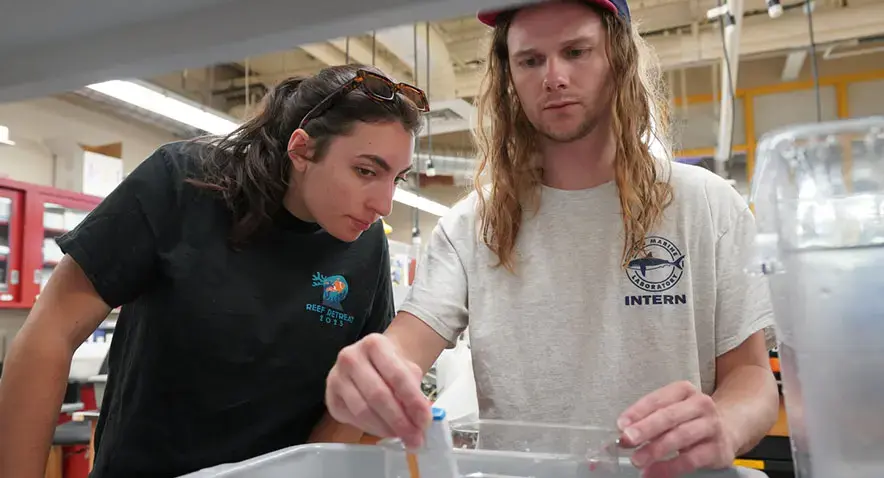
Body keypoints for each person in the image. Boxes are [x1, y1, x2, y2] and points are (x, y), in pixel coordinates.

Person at [323, 1, 781, 477]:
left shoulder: (708, 205)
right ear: (509, 77)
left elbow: (749, 377)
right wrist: (367, 377)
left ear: (618, 59)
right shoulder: (471, 226)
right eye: (530, 60)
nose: (554, 77)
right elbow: (403, 350)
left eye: (576, 51)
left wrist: (724, 423)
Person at [0, 64, 428, 478]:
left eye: (397, 179)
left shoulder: (366, 245)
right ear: (302, 149)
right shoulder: (182, 183)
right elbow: (51, 331)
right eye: (366, 171)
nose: (384, 204)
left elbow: (354, 407)